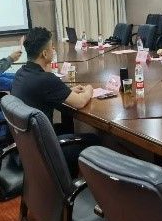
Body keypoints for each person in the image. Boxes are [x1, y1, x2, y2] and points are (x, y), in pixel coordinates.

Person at [11, 26, 98, 175]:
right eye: (52, 47)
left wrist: (67, 91)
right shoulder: (46, 79)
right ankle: (70, 182)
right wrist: (89, 89)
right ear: (44, 53)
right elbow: (80, 102)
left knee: (66, 127)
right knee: (95, 140)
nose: (54, 50)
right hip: (43, 151)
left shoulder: (21, 72)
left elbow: (45, 91)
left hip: (25, 145)